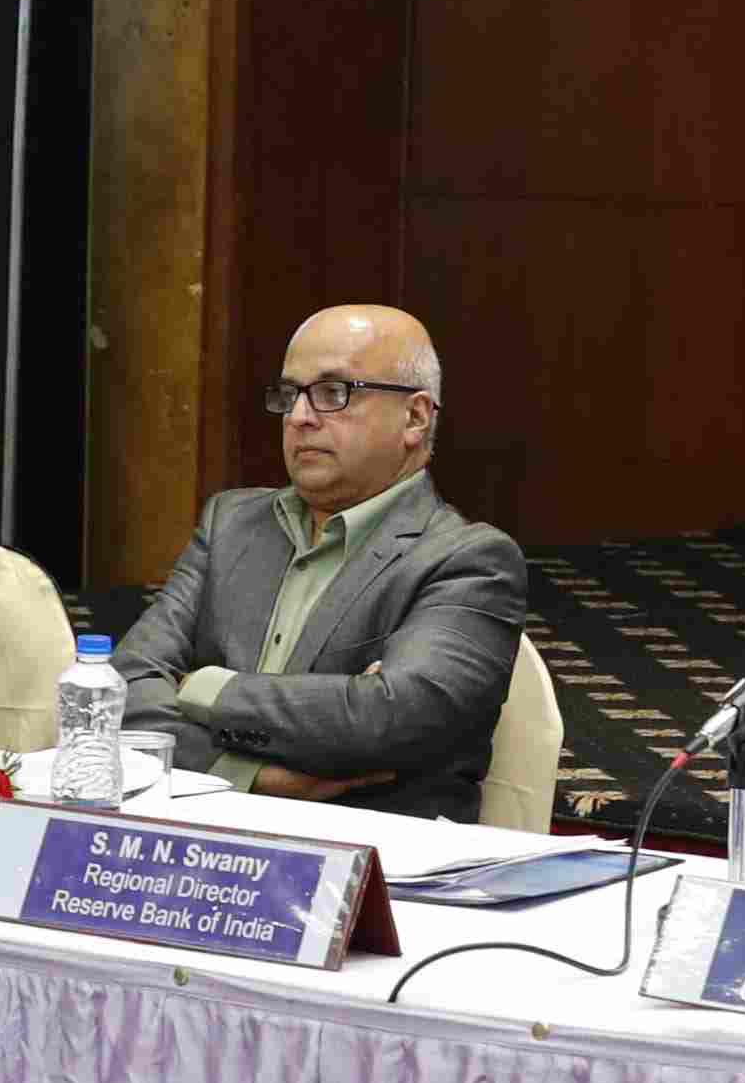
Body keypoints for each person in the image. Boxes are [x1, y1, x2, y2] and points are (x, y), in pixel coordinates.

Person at [115, 305, 530, 819]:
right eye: (290, 394)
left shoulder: (469, 560)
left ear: (415, 417)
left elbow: (388, 719)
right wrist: (248, 776)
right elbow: (124, 687)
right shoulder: (232, 523)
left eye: (334, 393)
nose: (299, 417)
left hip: (374, 849)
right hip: (205, 836)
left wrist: (203, 687)